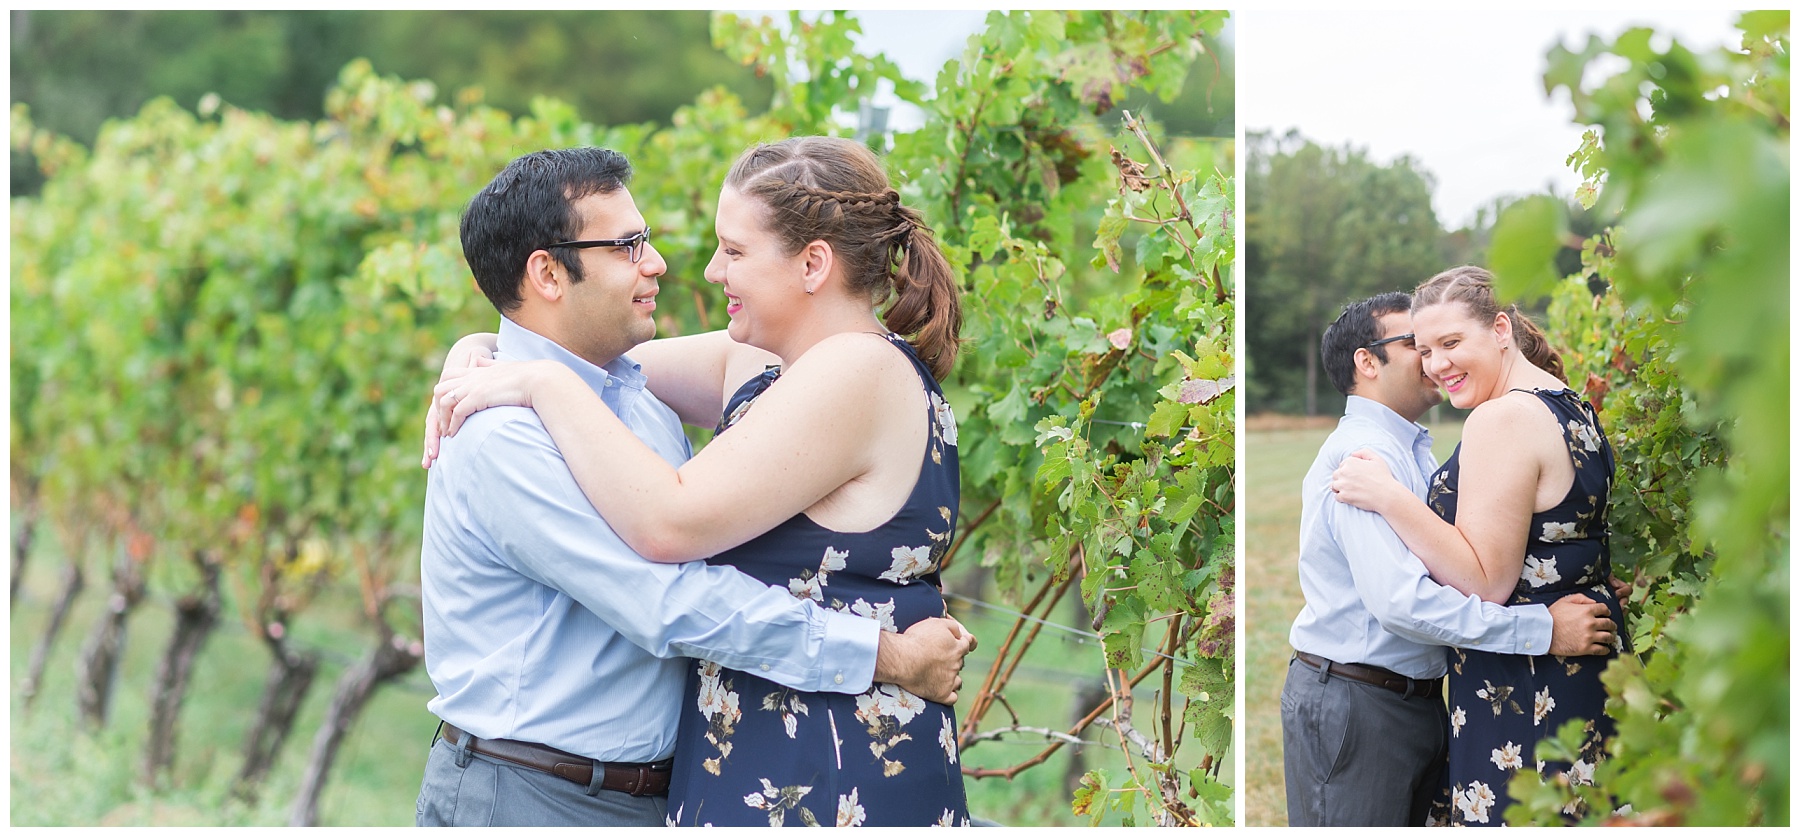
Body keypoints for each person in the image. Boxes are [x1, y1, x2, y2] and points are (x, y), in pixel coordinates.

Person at [415, 146, 973, 827]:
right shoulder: (542, 422)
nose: (687, 268)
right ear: (547, 272)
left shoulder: (848, 371)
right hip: (548, 789)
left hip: (824, 770)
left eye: (734, 251)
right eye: (628, 245)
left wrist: (538, 376)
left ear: (813, 263)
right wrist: (485, 350)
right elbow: (662, 591)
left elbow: (664, 517)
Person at [1282, 291, 1617, 827]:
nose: (1431, 360)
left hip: (1419, 699)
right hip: (1359, 703)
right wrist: (1541, 627)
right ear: (1367, 361)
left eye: (1444, 342)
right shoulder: (1362, 458)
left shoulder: (1419, 448)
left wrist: (1575, 578)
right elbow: (1403, 602)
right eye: (1415, 344)